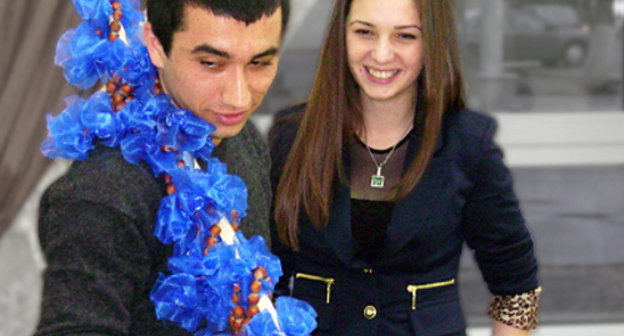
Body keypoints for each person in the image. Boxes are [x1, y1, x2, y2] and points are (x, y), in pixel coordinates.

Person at [269, 0, 540, 335]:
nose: (381, 55)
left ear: (432, 43)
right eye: (365, 32)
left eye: (405, 36)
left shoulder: (469, 143)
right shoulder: (292, 135)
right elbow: (267, 276)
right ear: (342, 35)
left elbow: (516, 288)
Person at [36, 0, 289, 335]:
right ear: (155, 44)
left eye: (259, 63)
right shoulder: (104, 195)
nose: (239, 97)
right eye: (211, 63)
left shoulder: (243, 140)